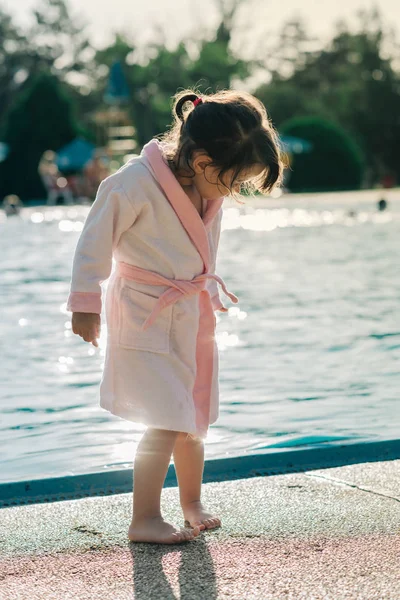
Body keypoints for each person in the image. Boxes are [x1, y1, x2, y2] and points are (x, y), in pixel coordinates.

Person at [66, 89, 284, 545]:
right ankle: (143, 517)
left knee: (193, 412)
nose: (234, 191)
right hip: (145, 310)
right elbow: (93, 240)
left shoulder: (204, 190)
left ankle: (191, 501)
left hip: (189, 311)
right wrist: (85, 302)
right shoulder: (132, 183)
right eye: (234, 181)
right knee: (166, 417)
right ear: (203, 161)